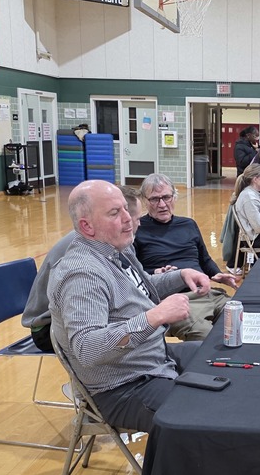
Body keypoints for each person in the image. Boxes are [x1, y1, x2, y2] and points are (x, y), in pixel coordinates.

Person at [48, 180, 210, 440]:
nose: (129, 219)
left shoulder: (114, 249)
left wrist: (181, 275)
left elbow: (136, 288)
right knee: (201, 416)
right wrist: (154, 317)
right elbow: (87, 348)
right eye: (114, 213)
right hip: (122, 386)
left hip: (148, 359)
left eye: (126, 209)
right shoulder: (83, 274)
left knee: (216, 356)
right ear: (86, 226)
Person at [22, 184, 144, 352]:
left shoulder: (112, 239)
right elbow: (86, 341)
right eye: (116, 212)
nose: (133, 221)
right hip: (47, 326)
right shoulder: (81, 257)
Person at [134, 174, 239, 340]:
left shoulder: (188, 224)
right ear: (144, 201)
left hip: (207, 292)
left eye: (166, 197)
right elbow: (132, 275)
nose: (162, 204)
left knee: (241, 321)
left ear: (174, 197)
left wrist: (216, 274)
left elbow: (204, 259)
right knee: (208, 337)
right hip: (176, 300)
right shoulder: (136, 230)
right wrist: (155, 272)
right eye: (154, 199)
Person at [232, 164, 260, 264]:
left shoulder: (254, 194)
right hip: (254, 239)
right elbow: (259, 227)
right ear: (255, 179)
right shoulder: (249, 198)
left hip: (258, 235)